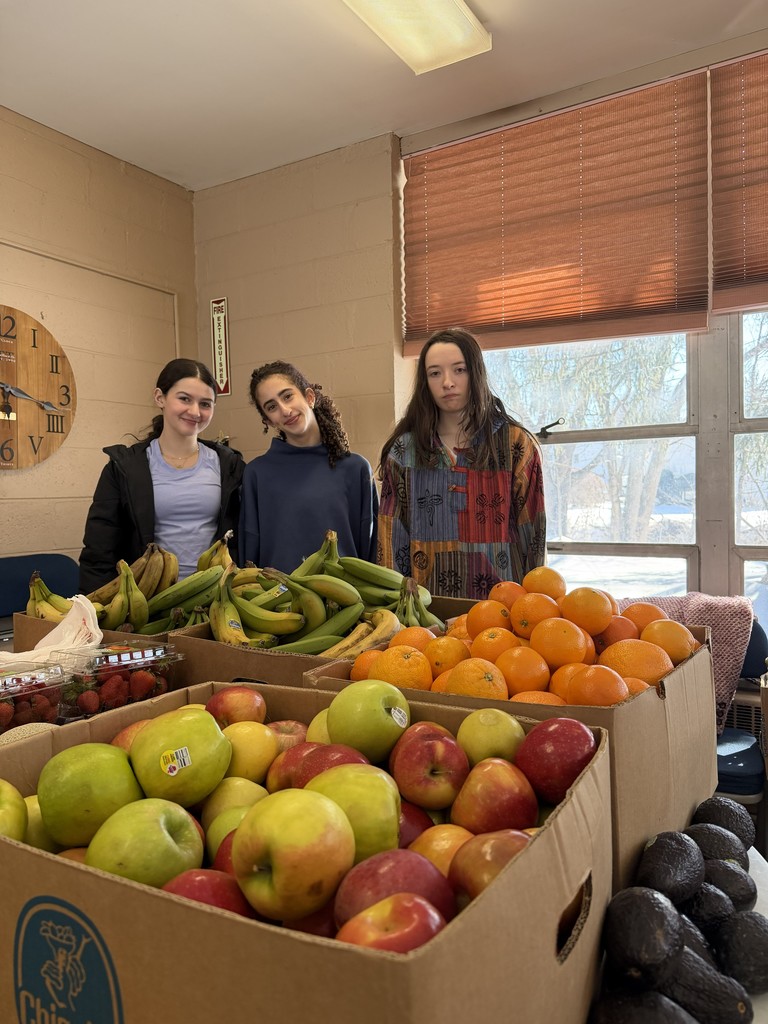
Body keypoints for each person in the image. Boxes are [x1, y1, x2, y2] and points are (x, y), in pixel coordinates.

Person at [378, 327, 546, 600]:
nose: (447, 382)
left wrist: (537, 605)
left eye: (459, 370)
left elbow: (534, 532)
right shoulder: (403, 451)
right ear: (425, 382)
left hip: (503, 612)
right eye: (435, 373)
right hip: (426, 615)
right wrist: (397, 610)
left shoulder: (515, 444)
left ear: (475, 373)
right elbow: (391, 540)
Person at [79, 358, 244, 592]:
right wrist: (96, 611)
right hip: (146, 601)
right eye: (184, 399)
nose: (195, 411)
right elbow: (99, 551)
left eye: (205, 404)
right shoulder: (124, 468)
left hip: (215, 596)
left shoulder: (230, 466)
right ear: (160, 398)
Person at [240, 361, 378, 572]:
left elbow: (371, 551)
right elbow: (249, 557)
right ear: (268, 421)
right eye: (271, 407)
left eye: (287, 396)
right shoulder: (256, 474)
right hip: (276, 600)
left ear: (310, 397)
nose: (285, 410)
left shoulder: (356, 468)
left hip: (346, 599)